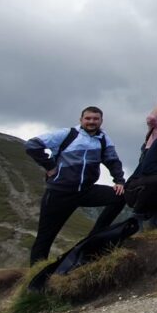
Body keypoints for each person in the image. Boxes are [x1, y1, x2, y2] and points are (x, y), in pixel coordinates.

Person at [24, 106, 127, 264]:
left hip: (86, 190)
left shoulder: (104, 139)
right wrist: (50, 166)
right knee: (45, 237)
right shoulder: (67, 134)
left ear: (101, 121)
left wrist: (119, 180)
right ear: (81, 120)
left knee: (121, 196)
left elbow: (112, 160)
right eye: (88, 118)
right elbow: (32, 145)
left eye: (95, 119)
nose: (91, 122)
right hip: (59, 193)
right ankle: (36, 275)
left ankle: (93, 237)